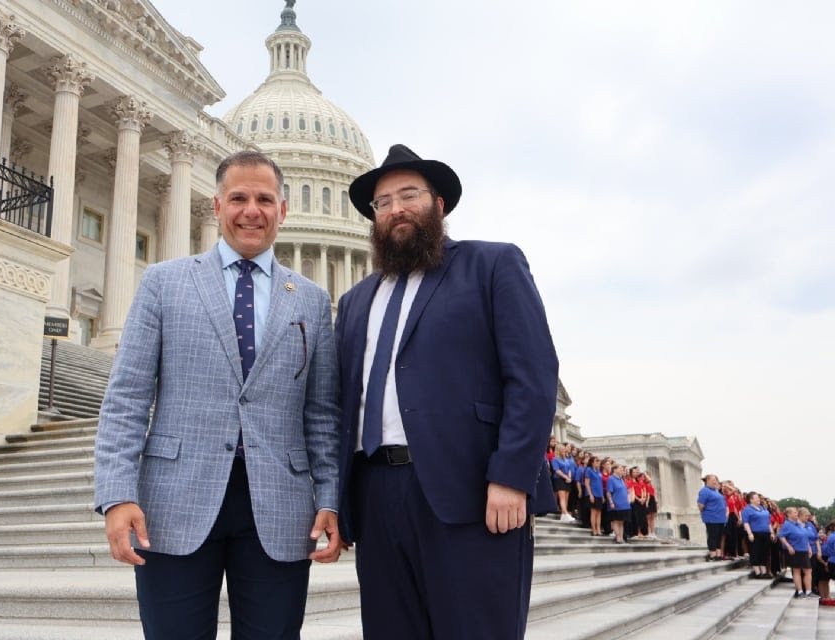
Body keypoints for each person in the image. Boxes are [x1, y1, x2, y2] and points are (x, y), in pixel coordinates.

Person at [93, 150, 342, 639]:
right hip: (173, 502)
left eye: (265, 199)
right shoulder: (164, 283)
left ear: (283, 210)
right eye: (239, 198)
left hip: (280, 505)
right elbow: (127, 397)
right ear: (217, 206)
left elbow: (321, 413)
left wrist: (331, 497)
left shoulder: (311, 299)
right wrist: (117, 494)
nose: (252, 210)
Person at [334, 144, 559, 640]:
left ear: (439, 204)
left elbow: (533, 376)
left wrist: (512, 475)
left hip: (472, 489)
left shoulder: (491, 265)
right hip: (375, 494)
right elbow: (341, 407)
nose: (396, 209)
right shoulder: (354, 302)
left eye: (408, 195)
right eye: (383, 202)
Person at [778, 506, 812, 598]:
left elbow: (805, 536)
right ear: (789, 514)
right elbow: (781, 536)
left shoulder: (798, 524)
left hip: (803, 549)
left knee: (808, 570)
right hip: (796, 550)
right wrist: (789, 546)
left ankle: (808, 591)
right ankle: (800, 591)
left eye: (796, 512)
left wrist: (809, 547)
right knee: (797, 571)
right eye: (794, 512)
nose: (796, 514)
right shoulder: (787, 524)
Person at [741, 491, 772, 579]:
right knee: (755, 552)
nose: (758, 499)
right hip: (755, 533)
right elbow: (746, 523)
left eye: (758, 497)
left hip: (765, 533)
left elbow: (768, 522)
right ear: (751, 500)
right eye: (756, 498)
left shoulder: (763, 508)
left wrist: (772, 532)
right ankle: (757, 572)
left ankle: (764, 571)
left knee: (764, 552)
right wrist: (750, 533)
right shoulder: (747, 510)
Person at [697, 474, 728, 561]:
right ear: (708, 480)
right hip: (712, 518)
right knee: (713, 536)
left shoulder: (716, 491)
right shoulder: (705, 491)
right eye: (713, 479)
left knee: (718, 536)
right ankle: (712, 554)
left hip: (720, 518)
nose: (715, 481)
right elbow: (700, 505)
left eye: (716, 479)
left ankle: (718, 554)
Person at [606, 464, 632, 544]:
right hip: (616, 504)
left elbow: (627, 492)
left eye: (622, 469)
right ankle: (617, 537)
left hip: (624, 505)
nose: (622, 470)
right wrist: (611, 502)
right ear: (614, 470)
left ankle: (621, 538)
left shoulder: (621, 480)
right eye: (620, 469)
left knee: (621, 522)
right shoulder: (611, 479)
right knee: (616, 521)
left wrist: (628, 500)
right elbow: (609, 492)